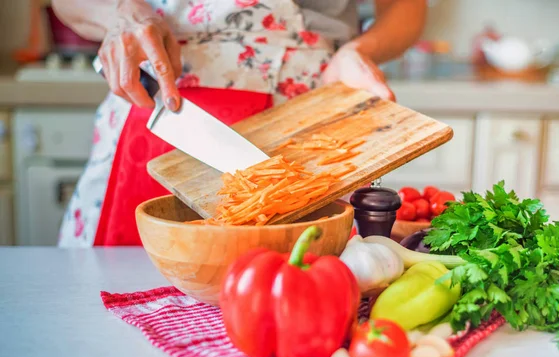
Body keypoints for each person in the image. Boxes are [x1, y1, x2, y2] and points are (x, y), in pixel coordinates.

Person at [53, 0, 427, 247]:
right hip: (155, 104)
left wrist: (358, 51)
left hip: (309, 119)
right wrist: (122, 14)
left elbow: (406, 8)